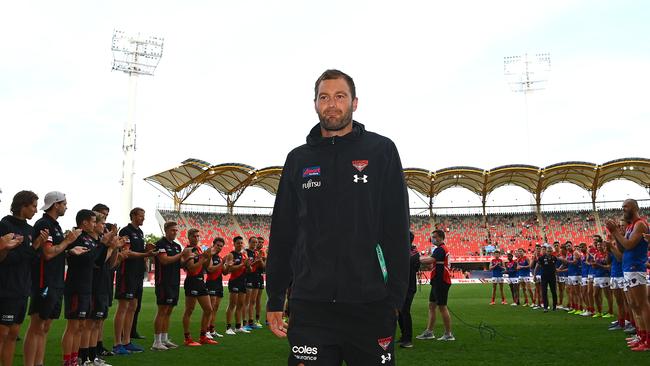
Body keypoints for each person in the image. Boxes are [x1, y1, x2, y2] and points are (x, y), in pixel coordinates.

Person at [266, 69, 410, 365]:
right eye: (324, 97)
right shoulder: (298, 159)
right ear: (315, 103)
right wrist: (275, 297)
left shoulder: (381, 150)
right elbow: (283, 233)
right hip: (311, 307)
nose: (332, 104)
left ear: (354, 103)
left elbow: (396, 227)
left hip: (370, 305)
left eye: (340, 96)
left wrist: (395, 299)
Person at [23, 192, 81, 366]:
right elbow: (48, 253)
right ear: (56, 204)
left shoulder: (55, 225)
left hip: (55, 281)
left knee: (45, 327)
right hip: (44, 281)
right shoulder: (43, 223)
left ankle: (39, 362)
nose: (66, 206)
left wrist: (69, 249)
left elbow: (56, 251)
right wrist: (67, 242)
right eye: (64, 203)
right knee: (36, 326)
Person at [0, 191, 47, 366]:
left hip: (22, 288)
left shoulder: (30, 229)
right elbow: (7, 259)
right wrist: (33, 247)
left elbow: (31, 259)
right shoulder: (4, 225)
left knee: (13, 334)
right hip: (6, 288)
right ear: (23, 205)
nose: (36, 210)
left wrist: (37, 247)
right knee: (2, 334)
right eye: (33, 206)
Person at [61, 210, 110, 366]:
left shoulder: (89, 239)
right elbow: (88, 258)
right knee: (74, 325)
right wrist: (102, 244)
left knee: (81, 326)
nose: (95, 225)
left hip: (87, 286)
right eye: (93, 221)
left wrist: (109, 246)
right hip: (76, 286)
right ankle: (68, 361)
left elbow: (99, 261)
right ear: (84, 222)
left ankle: (76, 359)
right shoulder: (77, 237)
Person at [605, 199, 650, 351]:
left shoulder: (640, 224)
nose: (623, 209)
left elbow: (630, 245)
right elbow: (624, 250)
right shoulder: (631, 226)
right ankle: (641, 336)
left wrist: (614, 231)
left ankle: (648, 341)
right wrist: (615, 236)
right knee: (635, 305)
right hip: (628, 268)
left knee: (642, 304)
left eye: (626, 206)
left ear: (635, 207)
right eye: (622, 206)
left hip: (635, 267)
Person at [113, 208, 153, 355]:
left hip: (136, 274)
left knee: (133, 306)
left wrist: (146, 251)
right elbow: (126, 252)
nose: (143, 218)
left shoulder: (140, 233)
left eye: (144, 216)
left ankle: (127, 341)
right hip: (126, 274)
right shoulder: (126, 231)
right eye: (141, 216)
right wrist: (145, 253)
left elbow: (138, 252)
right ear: (133, 216)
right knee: (123, 307)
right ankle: (117, 344)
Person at [181, 228, 217, 346]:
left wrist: (209, 256)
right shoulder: (187, 250)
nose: (196, 238)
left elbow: (206, 266)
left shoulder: (199, 249)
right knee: (189, 310)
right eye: (194, 236)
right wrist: (202, 258)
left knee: (208, 309)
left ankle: (203, 336)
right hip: (192, 281)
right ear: (189, 237)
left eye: (198, 236)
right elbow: (191, 268)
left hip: (201, 282)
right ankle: (187, 338)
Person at [417, 230, 454, 341]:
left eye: (434, 237)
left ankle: (448, 334)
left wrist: (415, 259)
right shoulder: (440, 249)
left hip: (441, 281)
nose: (432, 239)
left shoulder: (441, 249)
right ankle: (429, 332)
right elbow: (433, 263)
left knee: (442, 307)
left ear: (440, 238)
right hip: (437, 281)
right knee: (432, 306)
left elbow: (430, 260)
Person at [91, 203, 115, 358]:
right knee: (90, 321)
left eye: (106, 214)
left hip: (106, 278)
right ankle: (87, 353)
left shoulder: (103, 236)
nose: (105, 217)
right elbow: (97, 261)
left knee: (101, 318)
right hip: (94, 281)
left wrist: (115, 247)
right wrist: (109, 246)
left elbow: (112, 263)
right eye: (102, 214)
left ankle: (97, 347)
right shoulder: (90, 237)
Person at [397, 232, 419, 348]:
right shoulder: (407, 251)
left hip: (409, 286)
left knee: (405, 311)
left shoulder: (413, 253)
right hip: (401, 286)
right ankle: (403, 336)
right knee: (400, 311)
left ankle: (408, 339)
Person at [224, 236, 250, 335]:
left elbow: (248, 270)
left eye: (241, 243)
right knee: (232, 304)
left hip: (243, 281)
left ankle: (238, 327)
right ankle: (228, 327)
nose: (240, 245)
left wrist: (247, 266)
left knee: (240, 305)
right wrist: (243, 265)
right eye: (238, 243)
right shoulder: (231, 255)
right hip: (234, 281)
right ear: (234, 244)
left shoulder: (244, 255)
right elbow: (229, 270)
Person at [205, 237, 226, 339]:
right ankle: (206, 330)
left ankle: (212, 330)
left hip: (219, 283)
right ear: (213, 244)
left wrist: (229, 265)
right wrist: (222, 264)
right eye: (217, 245)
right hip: (211, 283)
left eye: (221, 246)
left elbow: (225, 272)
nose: (219, 247)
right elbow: (210, 269)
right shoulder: (210, 256)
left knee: (216, 308)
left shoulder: (220, 258)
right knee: (211, 308)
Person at [534, 245, 558, 312]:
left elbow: (555, 267)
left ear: (552, 251)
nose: (549, 252)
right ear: (546, 251)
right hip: (544, 277)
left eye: (550, 251)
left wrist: (557, 274)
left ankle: (554, 306)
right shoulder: (541, 258)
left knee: (554, 291)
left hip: (552, 277)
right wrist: (534, 275)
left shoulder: (554, 258)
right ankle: (545, 307)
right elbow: (537, 266)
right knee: (544, 292)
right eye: (548, 251)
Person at [244, 237, 261, 331]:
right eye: (253, 242)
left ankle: (251, 321)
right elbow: (247, 266)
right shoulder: (246, 252)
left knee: (253, 301)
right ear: (249, 242)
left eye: (256, 242)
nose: (255, 244)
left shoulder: (256, 253)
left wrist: (261, 260)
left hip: (256, 277)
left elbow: (261, 266)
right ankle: (245, 322)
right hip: (248, 277)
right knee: (247, 301)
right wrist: (256, 261)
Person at [254, 236, 267, 327]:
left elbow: (264, 267)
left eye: (262, 242)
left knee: (258, 300)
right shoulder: (250, 252)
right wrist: (260, 260)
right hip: (251, 277)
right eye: (259, 242)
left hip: (260, 277)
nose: (261, 244)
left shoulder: (262, 253)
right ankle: (247, 321)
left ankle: (257, 320)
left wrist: (261, 260)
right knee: (250, 301)